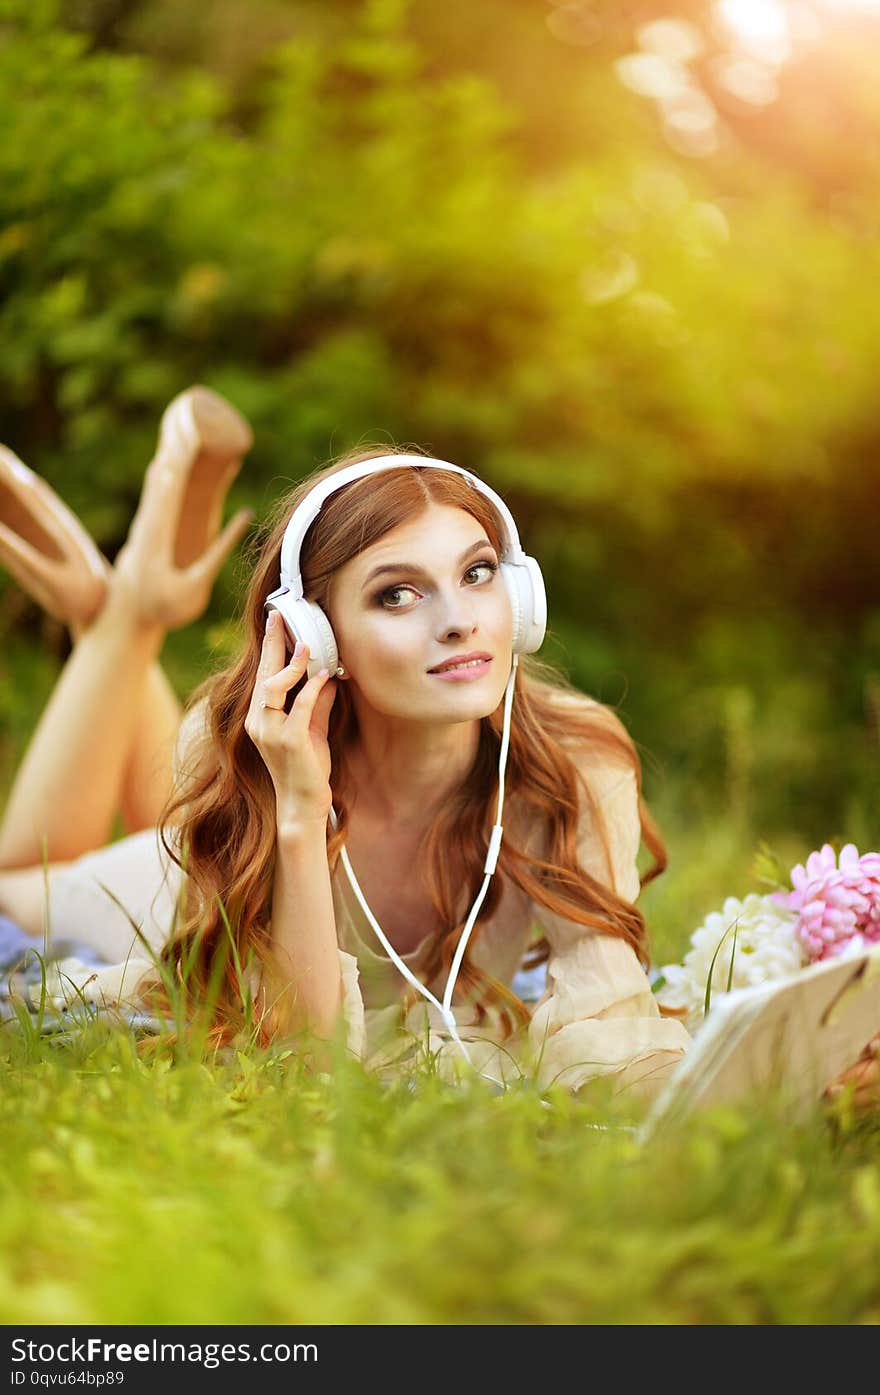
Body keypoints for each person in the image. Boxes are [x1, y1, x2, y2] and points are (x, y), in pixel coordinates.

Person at [0, 389, 875, 1107]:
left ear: (518, 595)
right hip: (178, 900)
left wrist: (783, 1082)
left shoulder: (575, 764)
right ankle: (123, 617)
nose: (459, 617)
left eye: (478, 571)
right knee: (18, 887)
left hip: (229, 810)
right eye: (396, 595)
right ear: (316, 634)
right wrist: (301, 809)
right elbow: (303, 1063)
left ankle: (113, 612)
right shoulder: (249, 756)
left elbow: (611, 1021)